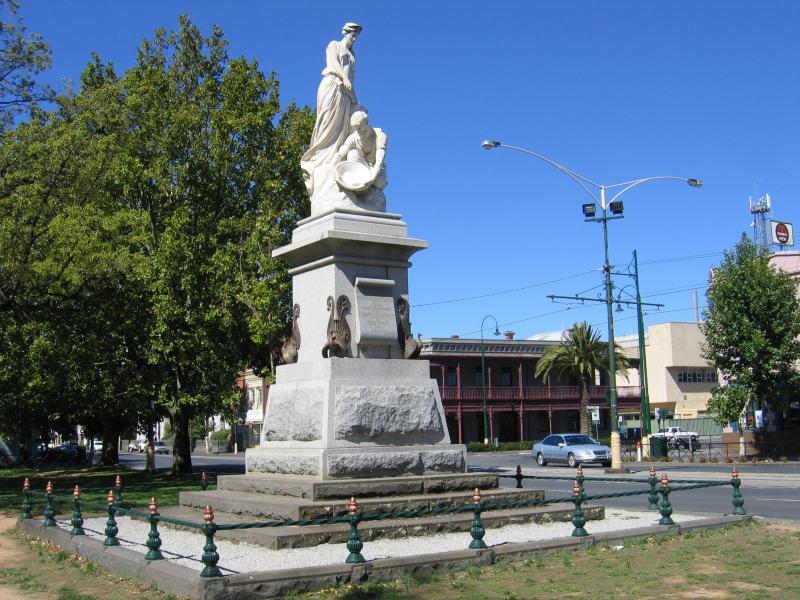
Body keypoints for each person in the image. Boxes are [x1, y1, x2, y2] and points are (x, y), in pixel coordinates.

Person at [300, 23, 362, 196]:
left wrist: (354, 96)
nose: (354, 38)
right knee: (327, 122)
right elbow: (333, 62)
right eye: (352, 34)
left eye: (356, 36)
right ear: (345, 33)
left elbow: (351, 78)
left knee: (341, 128)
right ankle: (318, 161)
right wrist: (343, 77)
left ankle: (334, 159)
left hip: (345, 92)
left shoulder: (352, 55)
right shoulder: (334, 45)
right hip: (332, 85)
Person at [336, 110, 387, 190]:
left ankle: (368, 182)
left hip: (375, 167)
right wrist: (334, 169)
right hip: (362, 166)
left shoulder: (380, 136)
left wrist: (372, 179)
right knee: (352, 153)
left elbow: (380, 160)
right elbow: (340, 154)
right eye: (356, 129)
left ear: (367, 123)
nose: (358, 131)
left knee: (380, 183)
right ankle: (357, 181)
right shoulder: (353, 137)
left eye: (360, 128)